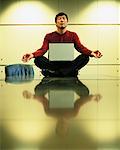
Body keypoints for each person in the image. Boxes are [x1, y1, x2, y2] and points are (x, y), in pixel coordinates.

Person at [22, 12, 102, 77]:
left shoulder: (73, 35)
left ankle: (56, 73)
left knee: (85, 57)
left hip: (68, 64)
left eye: (64, 18)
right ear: (56, 23)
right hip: (53, 64)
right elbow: (43, 50)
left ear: (67, 22)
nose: (62, 20)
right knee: (38, 59)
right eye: (59, 19)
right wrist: (32, 55)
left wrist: (92, 53)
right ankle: (67, 73)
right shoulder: (49, 36)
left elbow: (80, 48)